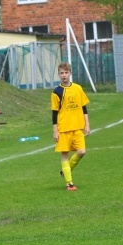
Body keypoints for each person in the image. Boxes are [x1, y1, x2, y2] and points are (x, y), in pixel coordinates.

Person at [51, 62, 90, 191]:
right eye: (61, 73)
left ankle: (66, 170)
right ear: (59, 75)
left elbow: (84, 108)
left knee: (82, 151)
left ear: (70, 73)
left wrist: (87, 124)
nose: (64, 75)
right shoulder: (56, 92)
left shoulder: (78, 88)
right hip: (64, 129)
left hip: (78, 127)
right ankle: (69, 183)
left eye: (66, 72)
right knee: (65, 155)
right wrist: (55, 131)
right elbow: (54, 113)